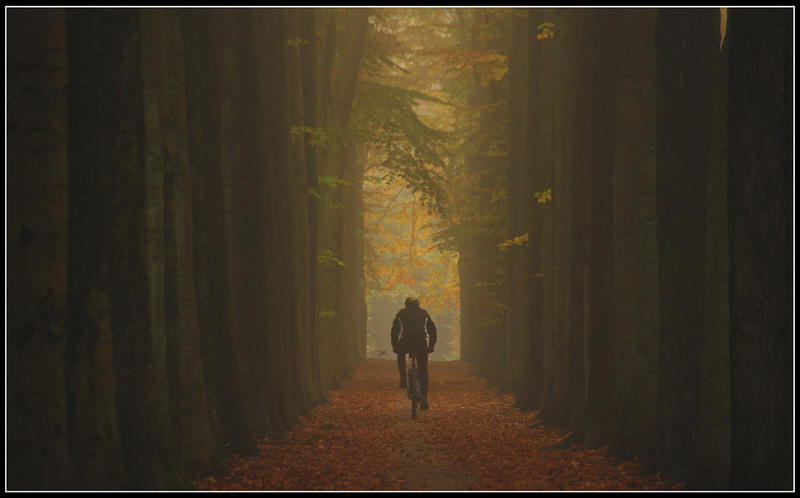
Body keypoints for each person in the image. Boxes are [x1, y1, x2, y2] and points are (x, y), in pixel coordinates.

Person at [390, 296, 436, 410]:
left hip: (405, 342)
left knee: (401, 356)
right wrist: (431, 345)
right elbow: (432, 330)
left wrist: (395, 345)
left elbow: (394, 330)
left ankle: (403, 377)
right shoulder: (424, 313)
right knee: (423, 369)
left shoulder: (401, 313)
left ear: (406, 304)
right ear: (418, 304)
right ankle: (424, 397)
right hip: (421, 343)